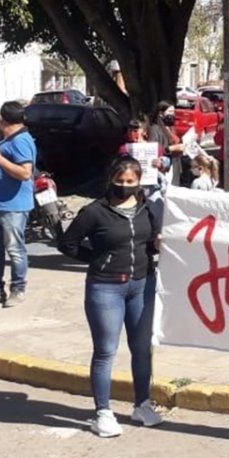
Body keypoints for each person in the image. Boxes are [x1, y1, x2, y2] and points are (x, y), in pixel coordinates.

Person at [58, 156, 164, 438]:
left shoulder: (148, 209)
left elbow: (151, 244)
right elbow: (67, 244)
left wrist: (157, 245)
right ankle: (103, 412)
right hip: (105, 288)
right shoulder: (94, 212)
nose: (125, 186)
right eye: (120, 181)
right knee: (106, 351)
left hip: (141, 285)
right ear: (111, 180)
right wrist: (96, 259)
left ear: (139, 182)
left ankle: (142, 403)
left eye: (131, 182)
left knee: (142, 349)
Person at [0, 101, 37, 310]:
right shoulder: (5, 138)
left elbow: (25, 173)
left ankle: (18, 289)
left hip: (14, 206)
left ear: (3, 119)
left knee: (15, 249)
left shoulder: (21, 140)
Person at [148, 102, 183, 188]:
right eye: (170, 112)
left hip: (175, 164)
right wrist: (170, 149)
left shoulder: (171, 127)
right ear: (160, 113)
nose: (173, 115)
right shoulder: (154, 129)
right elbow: (153, 149)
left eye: (173, 112)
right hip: (164, 166)